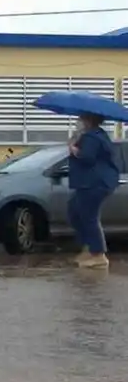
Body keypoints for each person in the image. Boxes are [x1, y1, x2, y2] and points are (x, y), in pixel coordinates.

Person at [67, 113, 119, 268]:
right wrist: (76, 141)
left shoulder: (92, 137)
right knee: (74, 211)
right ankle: (88, 248)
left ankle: (98, 255)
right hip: (89, 182)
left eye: (80, 119)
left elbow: (87, 158)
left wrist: (73, 149)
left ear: (88, 121)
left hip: (94, 183)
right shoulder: (94, 135)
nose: (78, 122)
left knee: (89, 217)